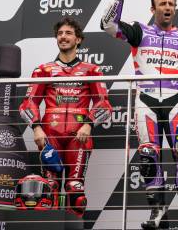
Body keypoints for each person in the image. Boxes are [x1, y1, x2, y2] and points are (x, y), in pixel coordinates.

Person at [101, 0, 178, 230]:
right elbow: (108, 25)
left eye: (171, 4)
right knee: (148, 158)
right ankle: (157, 212)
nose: (168, 7)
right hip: (145, 101)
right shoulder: (140, 32)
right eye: (163, 3)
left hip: (176, 101)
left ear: (176, 8)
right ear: (153, 8)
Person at [19, 17, 112, 217]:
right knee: (49, 187)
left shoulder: (92, 70)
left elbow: (103, 103)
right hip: (49, 137)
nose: (63, 37)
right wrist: (36, 127)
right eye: (60, 33)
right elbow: (28, 103)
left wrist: (88, 124)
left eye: (68, 33)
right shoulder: (43, 70)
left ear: (78, 39)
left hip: (78, 136)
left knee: (75, 189)